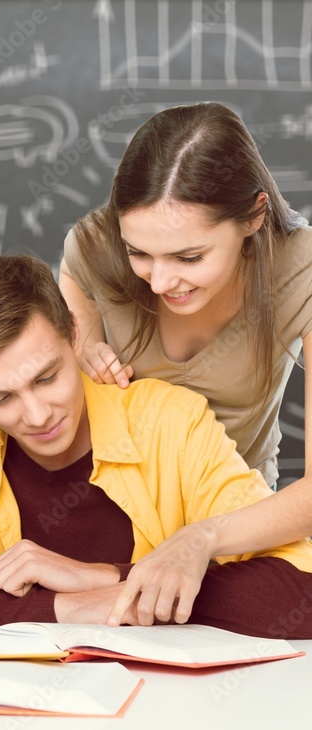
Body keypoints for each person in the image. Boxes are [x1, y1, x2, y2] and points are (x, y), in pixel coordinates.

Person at [0, 252, 312, 638]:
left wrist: (103, 580)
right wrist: (70, 608)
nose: (38, 415)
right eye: (0, 398)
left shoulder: (171, 422)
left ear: (75, 335)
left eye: (47, 378)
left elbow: (299, 590)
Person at [58, 101, 312, 627]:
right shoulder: (95, 245)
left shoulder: (302, 271)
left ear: (255, 216)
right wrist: (82, 346)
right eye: (139, 254)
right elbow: (75, 286)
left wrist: (200, 539)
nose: (157, 282)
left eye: (189, 258)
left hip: (237, 534)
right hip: (109, 529)